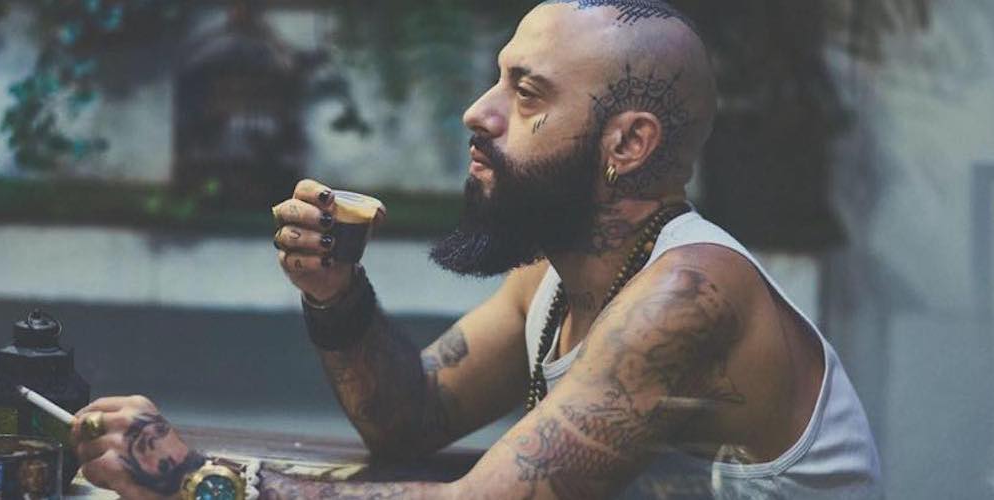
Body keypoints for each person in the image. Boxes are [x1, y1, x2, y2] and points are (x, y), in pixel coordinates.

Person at [70, 1, 882, 498]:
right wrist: (336, 294)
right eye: (499, 80)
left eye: (525, 93)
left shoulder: (690, 294)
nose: (478, 112)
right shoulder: (553, 279)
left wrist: (200, 481)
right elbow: (410, 419)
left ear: (628, 143)